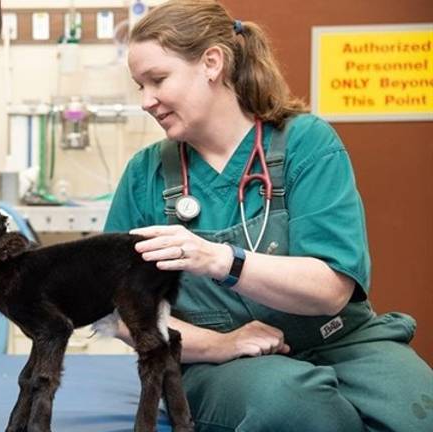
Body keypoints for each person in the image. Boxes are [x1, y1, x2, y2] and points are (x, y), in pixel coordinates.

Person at [105, 1, 433, 431]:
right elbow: (120, 314)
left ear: (212, 63)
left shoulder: (307, 144)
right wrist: (221, 344)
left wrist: (221, 260)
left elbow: (331, 290)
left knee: (419, 410)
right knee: (296, 408)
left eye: (158, 80)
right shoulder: (145, 176)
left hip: (342, 340)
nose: (146, 101)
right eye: (139, 86)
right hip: (220, 364)